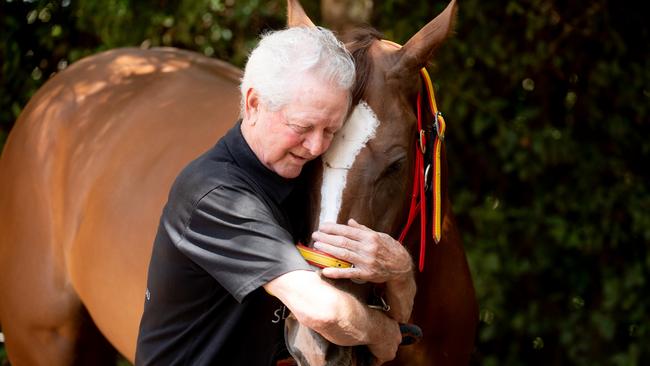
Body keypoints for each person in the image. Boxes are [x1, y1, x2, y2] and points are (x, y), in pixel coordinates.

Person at [135, 26, 416, 366]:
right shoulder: (215, 194)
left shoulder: (299, 175)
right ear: (254, 104)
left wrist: (399, 270)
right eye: (302, 128)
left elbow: (399, 310)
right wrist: (380, 332)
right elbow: (321, 310)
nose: (316, 146)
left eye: (330, 130)